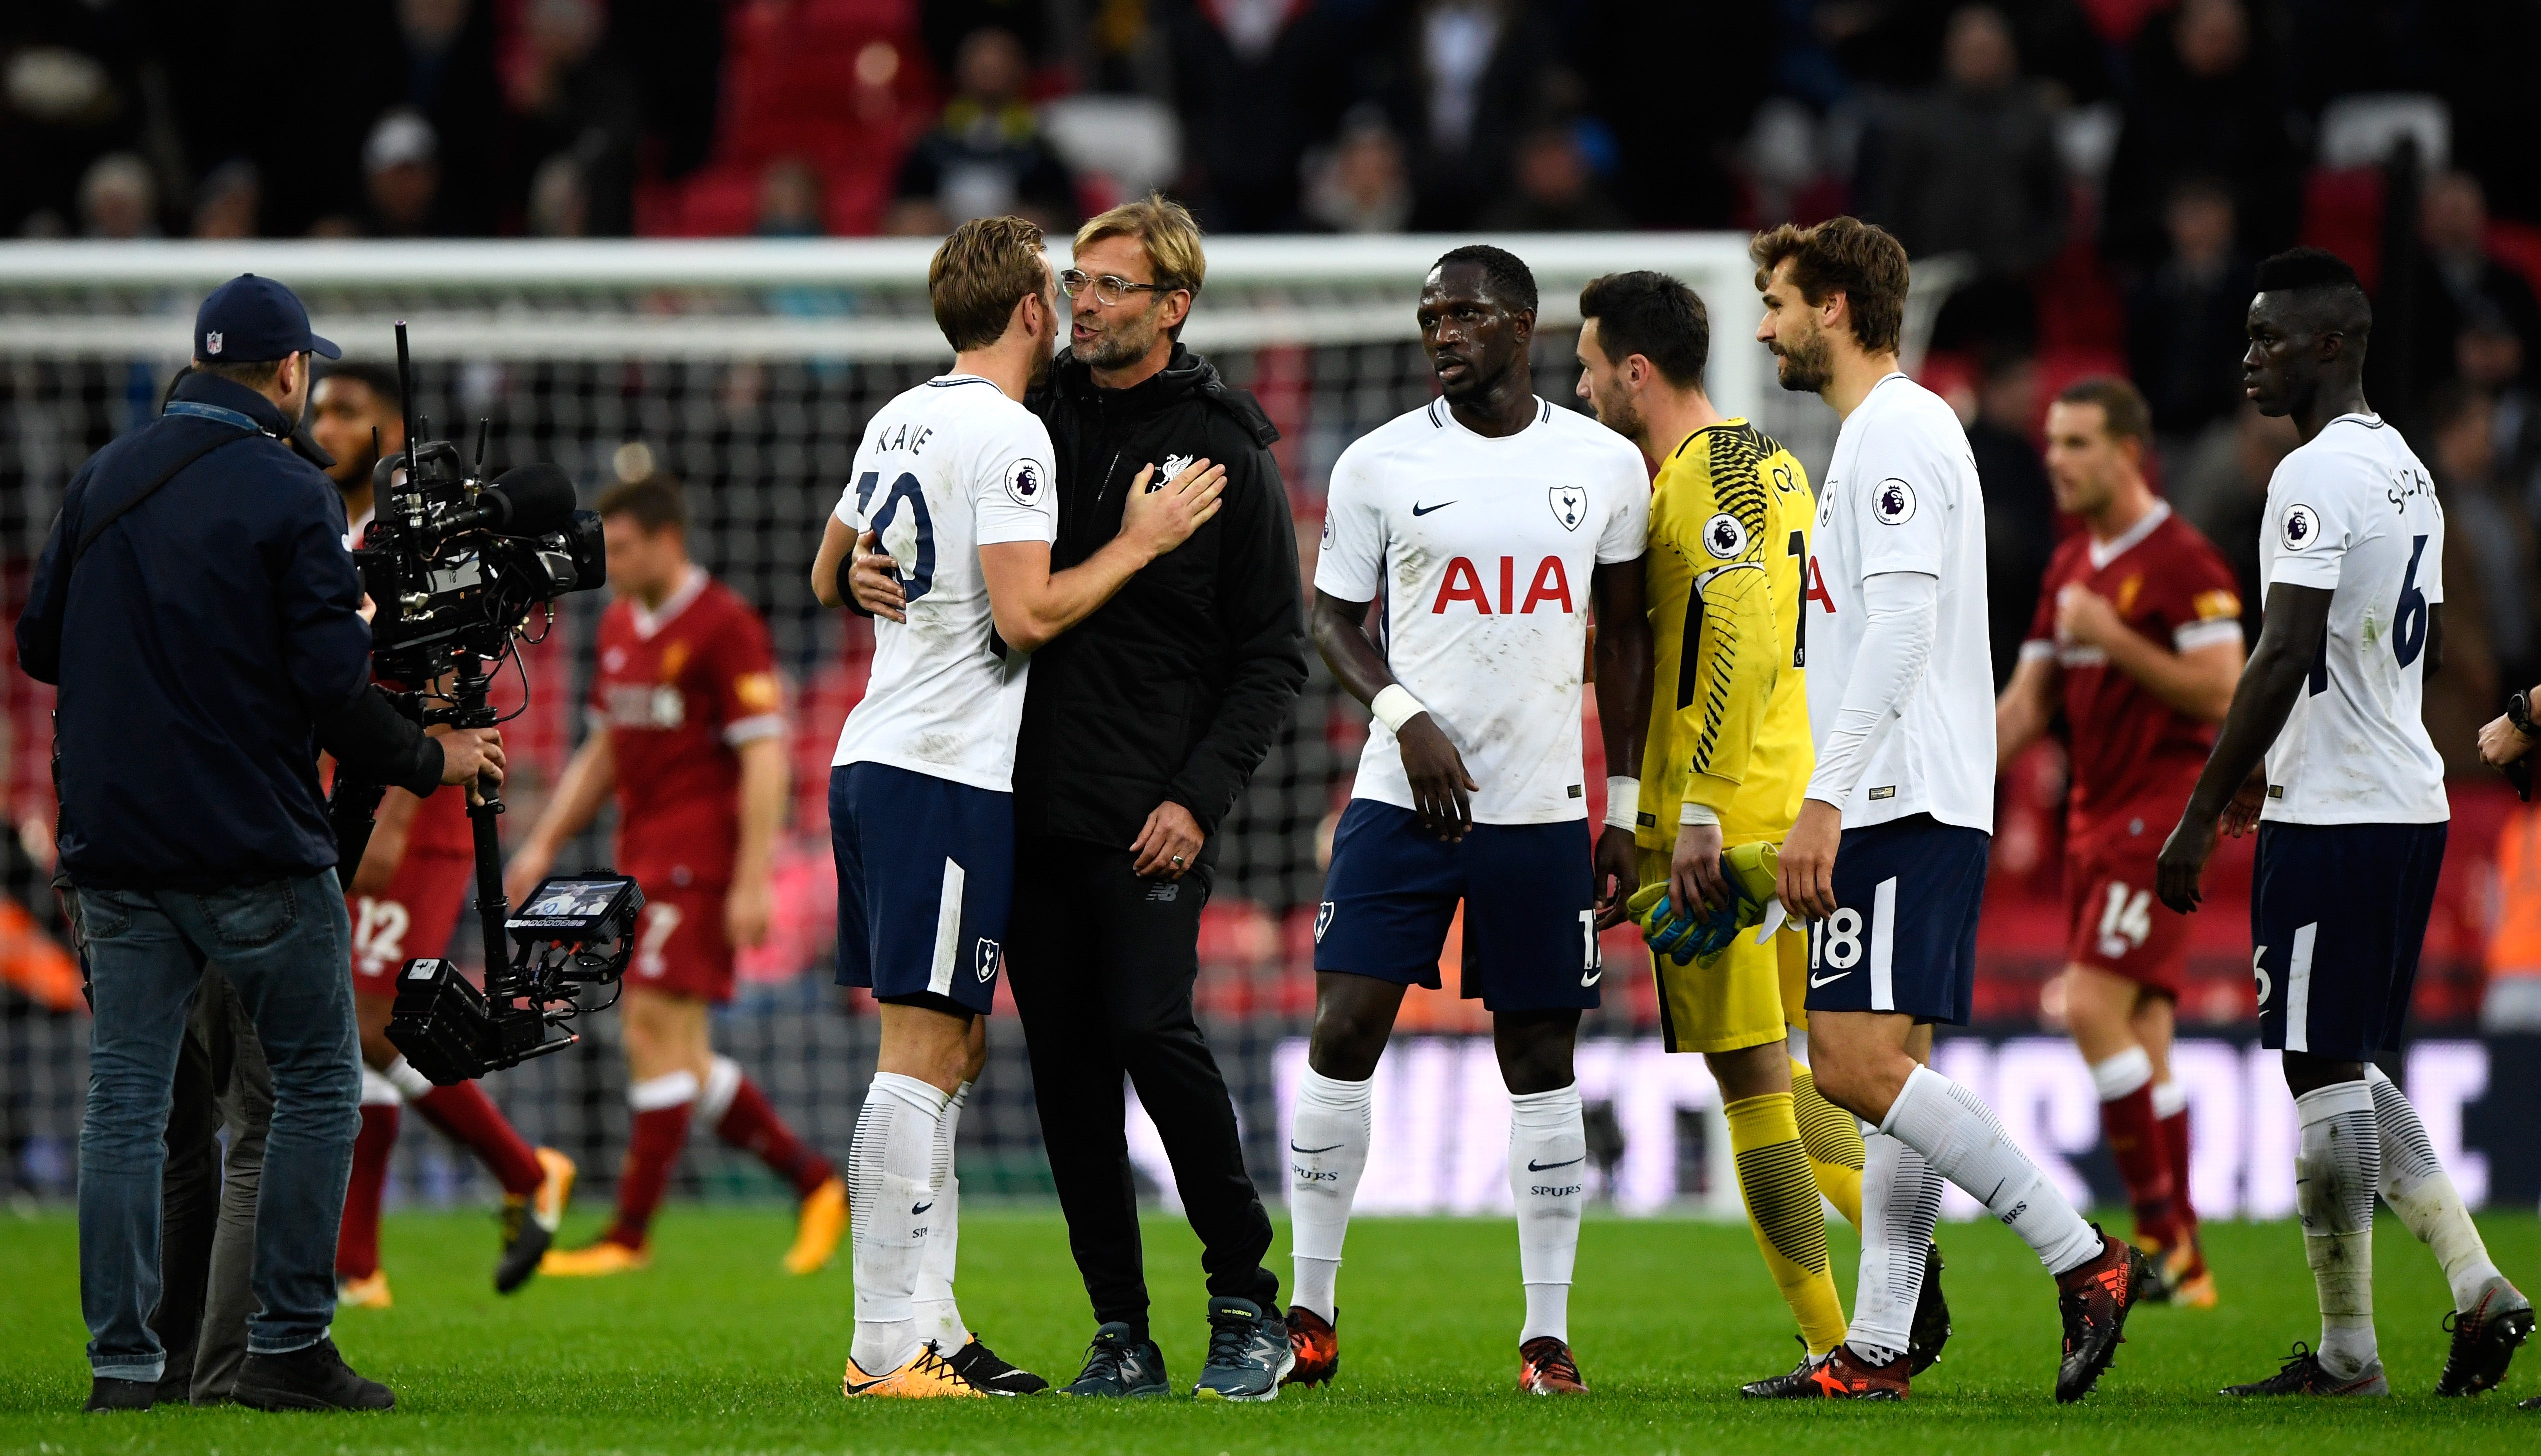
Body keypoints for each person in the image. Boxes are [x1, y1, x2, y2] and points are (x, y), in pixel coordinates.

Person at [18, 273, 504, 1413]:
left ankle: (125, 1367)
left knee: (126, 1104)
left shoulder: (101, 478)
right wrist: (436, 758)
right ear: (291, 373)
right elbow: (337, 695)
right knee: (312, 1085)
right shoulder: (290, 492)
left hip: (114, 854)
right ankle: (285, 1344)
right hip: (252, 849)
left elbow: (42, 645)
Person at [816, 213, 1226, 1398]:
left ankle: (934, 1327)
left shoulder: (901, 412)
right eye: (1064, 291)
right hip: (939, 768)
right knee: (922, 1048)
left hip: (880, 758)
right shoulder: (1014, 433)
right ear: (1034, 310)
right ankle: (886, 1343)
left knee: (956, 1044)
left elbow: (823, 569)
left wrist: (856, 571)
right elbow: (1026, 618)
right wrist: (1143, 538)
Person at [1746, 218, 2146, 1403]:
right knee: (1896, 1066)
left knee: (1854, 1062)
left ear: (1832, 303)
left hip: (1898, 793)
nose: (1765, 325)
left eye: (1777, 301)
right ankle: (1879, 1341)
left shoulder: (1899, 432)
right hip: (1910, 788)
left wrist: (1827, 796)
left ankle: (2085, 1256)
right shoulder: (1886, 432)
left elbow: (1910, 626)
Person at [2158, 247, 2534, 1399]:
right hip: (2397, 794)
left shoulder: (2312, 474)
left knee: (2319, 1065)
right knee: (2340, 1059)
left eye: (2270, 338)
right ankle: (2476, 1286)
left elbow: (2288, 645)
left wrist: (2206, 800)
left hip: (2344, 812)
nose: (2250, 358)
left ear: (2332, 344)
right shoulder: (2404, 464)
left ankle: (2348, 1353)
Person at [1286, 244, 1651, 1397]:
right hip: (1405, 798)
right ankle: (1311, 1307)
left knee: (1540, 1058)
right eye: (1430, 315)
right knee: (1345, 1030)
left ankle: (1547, 1334)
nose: (1442, 332)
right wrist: (1403, 712)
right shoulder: (1379, 462)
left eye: (1466, 314)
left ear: (1525, 325)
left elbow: (1631, 634)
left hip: (1542, 807)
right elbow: (1333, 616)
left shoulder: (1603, 464)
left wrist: (1627, 805)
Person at [1574, 269, 1938, 1386]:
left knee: (1752, 1083)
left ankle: (1845, 1330)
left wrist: (1685, 815)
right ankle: (1895, 1281)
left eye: (1590, 370)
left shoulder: (1707, 473)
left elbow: (1729, 631)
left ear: (1637, 372)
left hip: (1730, 814)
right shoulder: (1771, 459)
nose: (1584, 392)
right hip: (1791, 795)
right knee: (1821, 1072)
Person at [992, 194, 1307, 1402]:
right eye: (1078, 280)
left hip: (1150, 812)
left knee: (1152, 1032)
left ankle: (1247, 1300)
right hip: (1028, 806)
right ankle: (1120, 1326)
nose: (1084, 300)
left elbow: (1272, 654)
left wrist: (1199, 798)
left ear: (1174, 306)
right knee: (1065, 1071)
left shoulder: (1227, 444)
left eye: (1112, 285)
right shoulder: (1029, 412)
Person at [506, 476, 844, 1278]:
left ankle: (629, 1234)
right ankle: (814, 1181)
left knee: (651, 1026)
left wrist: (754, 877)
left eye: (621, 548)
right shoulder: (621, 624)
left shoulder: (724, 624)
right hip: (643, 853)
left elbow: (765, 752)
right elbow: (605, 747)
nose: (609, 562)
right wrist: (544, 841)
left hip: (701, 861)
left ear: (666, 540)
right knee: (678, 1049)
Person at [309, 361, 576, 1307]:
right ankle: (361, 1263)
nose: (326, 422)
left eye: (349, 411)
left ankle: (520, 1171)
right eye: (321, 406)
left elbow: (433, 685)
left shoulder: (405, 549)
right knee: (364, 1025)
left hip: (411, 809)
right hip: (367, 796)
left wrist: (381, 821)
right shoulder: (335, 539)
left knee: (377, 1017)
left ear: (392, 437)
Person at [1994, 376, 2245, 1308]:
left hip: (2163, 816)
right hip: (2093, 819)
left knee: (2093, 1005)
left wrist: (2114, 638)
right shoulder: (2069, 568)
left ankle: (2167, 1245)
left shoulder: (2184, 563)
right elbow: (2027, 705)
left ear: (2129, 451)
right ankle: (2180, 1253)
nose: (2054, 460)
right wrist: (1948, 771)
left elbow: (2224, 691)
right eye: (2051, 442)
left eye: (2076, 444)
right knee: (2144, 1030)